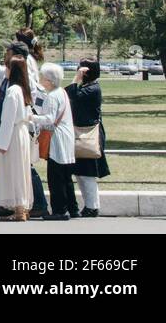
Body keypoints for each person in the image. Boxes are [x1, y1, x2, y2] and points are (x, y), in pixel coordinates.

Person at [0, 34, 49, 217]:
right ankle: (11, 204)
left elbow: (12, 115)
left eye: (8, 52)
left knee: (22, 168)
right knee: (14, 168)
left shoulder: (21, 81)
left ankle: (33, 204)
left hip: (17, 130)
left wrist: (3, 140)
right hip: (13, 129)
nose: (5, 55)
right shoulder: (12, 78)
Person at [65, 59, 109, 217]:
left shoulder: (92, 88)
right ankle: (90, 205)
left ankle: (92, 206)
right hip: (83, 134)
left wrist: (76, 78)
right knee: (81, 172)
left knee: (87, 173)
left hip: (89, 135)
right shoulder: (88, 87)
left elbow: (70, 94)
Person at [34, 62, 77, 220]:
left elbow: (49, 119)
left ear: (49, 80)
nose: (40, 79)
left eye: (42, 77)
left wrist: (31, 117)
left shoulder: (51, 96)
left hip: (56, 140)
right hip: (66, 137)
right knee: (66, 177)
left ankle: (59, 210)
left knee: (55, 177)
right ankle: (73, 208)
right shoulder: (62, 92)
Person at [0, 56, 35, 221]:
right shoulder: (22, 89)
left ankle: (19, 209)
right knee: (22, 170)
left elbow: (7, 119)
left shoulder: (12, 91)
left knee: (15, 171)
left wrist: (2, 142)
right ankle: (23, 207)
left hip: (13, 133)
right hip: (22, 132)